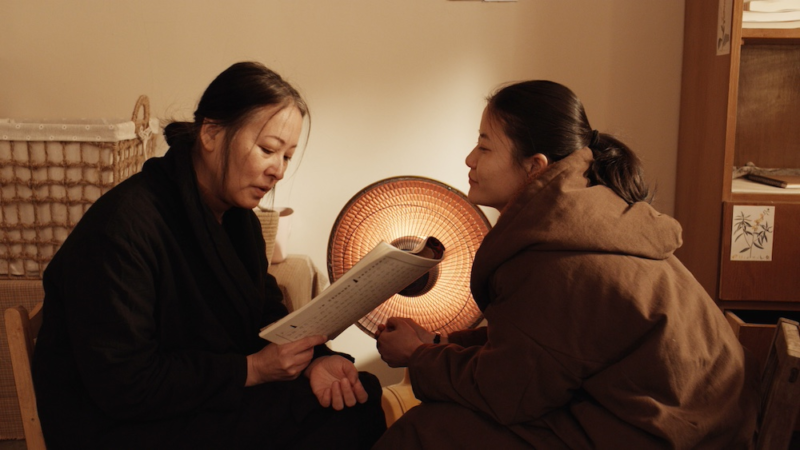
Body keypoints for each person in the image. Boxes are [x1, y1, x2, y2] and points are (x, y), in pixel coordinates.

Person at [374, 80, 759, 449]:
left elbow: (509, 392)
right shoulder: (580, 221)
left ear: (535, 167)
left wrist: (417, 357)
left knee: (428, 431)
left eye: (485, 147)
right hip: (689, 422)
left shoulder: (554, 255)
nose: (470, 159)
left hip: (664, 435)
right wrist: (442, 343)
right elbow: (543, 345)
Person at [32, 61, 386, 450]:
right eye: (268, 149)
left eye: (286, 156)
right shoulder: (123, 228)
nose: (278, 171)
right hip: (116, 424)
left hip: (193, 397)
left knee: (356, 396)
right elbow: (124, 384)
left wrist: (315, 359)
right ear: (211, 133)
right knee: (333, 422)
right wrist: (252, 369)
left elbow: (264, 312)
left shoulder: (239, 222)